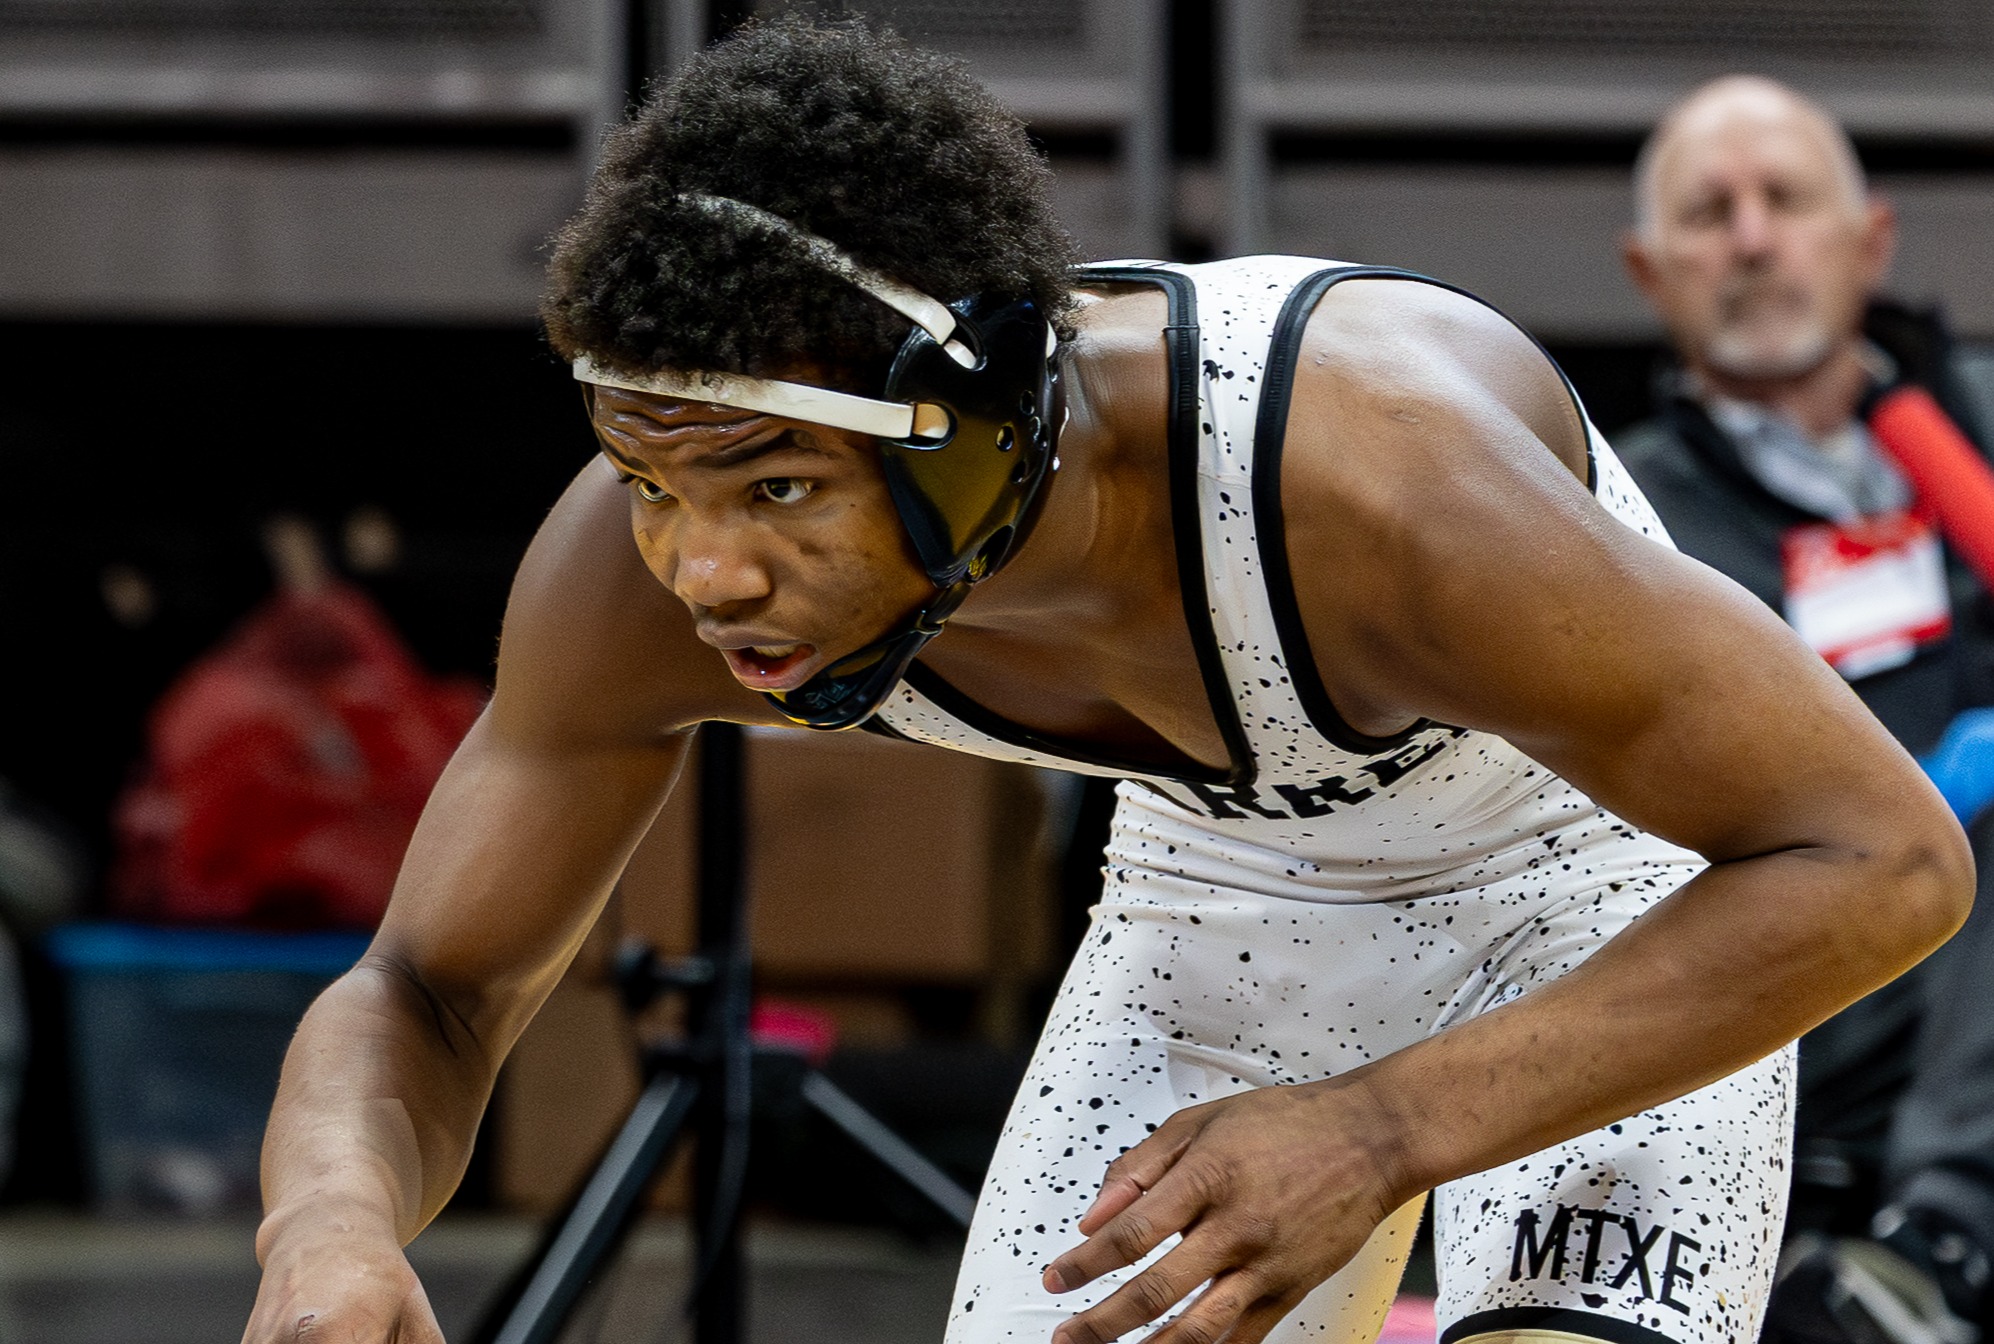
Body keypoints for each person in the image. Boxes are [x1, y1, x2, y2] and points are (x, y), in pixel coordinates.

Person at [240, 23, 1972, 1344]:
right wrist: (327, 1218)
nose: (702, 571)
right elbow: (432, 989)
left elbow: (1880, 859)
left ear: (978, 422)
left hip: (1586, 888)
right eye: (648, 478)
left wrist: (1379, 1125)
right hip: (1218, 909)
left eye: (773, 487)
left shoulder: (1378, 483)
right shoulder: (633, 575)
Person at [1617, 75, 1994, 1344]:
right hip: (1811, 985)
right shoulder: (1613, 529)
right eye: (1706, 212)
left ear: (1868, 240)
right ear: (1646, 271)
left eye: (1782, 199)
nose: (1749, 236)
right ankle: (1934, 1260)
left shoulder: (1978, 425)